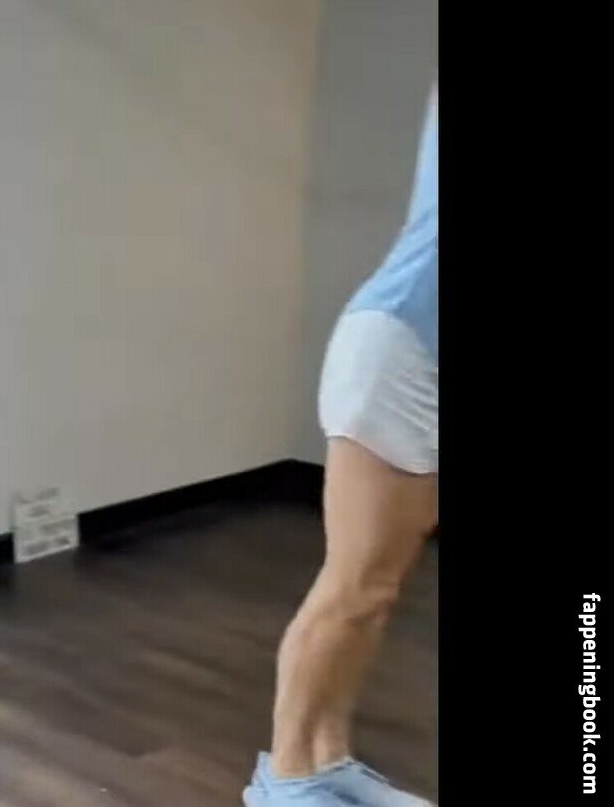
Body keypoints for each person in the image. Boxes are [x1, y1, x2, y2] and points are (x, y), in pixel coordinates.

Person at [244, 88, 438, 807]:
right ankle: (286, 779)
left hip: (424, 358)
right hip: (400, 350)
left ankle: (328, 759)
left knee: (379, 589)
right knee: (356, 585)